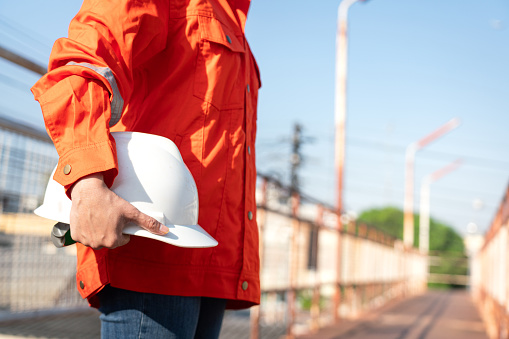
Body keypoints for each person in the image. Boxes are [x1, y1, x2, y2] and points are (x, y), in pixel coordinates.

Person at [31, 0, 261, 337]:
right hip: (150, 246)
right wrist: (87, 181)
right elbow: (83, 64)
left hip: (209, 254)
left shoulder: (231, 18)